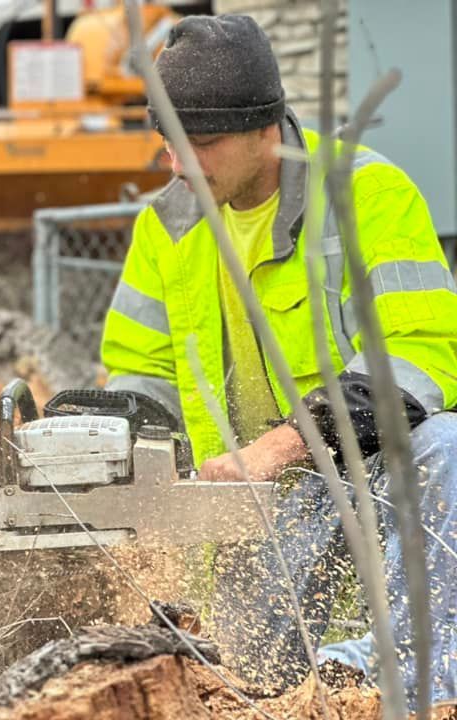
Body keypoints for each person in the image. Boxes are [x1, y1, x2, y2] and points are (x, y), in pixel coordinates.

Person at [100, 13, 457, 708]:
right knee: (249, 678)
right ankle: (337, 669)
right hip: (242, 518)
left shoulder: (367, 194)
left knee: (446, 446)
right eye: (170, 145)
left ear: (268, 129)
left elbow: (421, 356)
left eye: (204, 143)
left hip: (356, 474)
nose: (183, 166)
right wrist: (111, 442)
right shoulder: (165, 226)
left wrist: (282, 446)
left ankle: (425, 691)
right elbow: (138, 373)